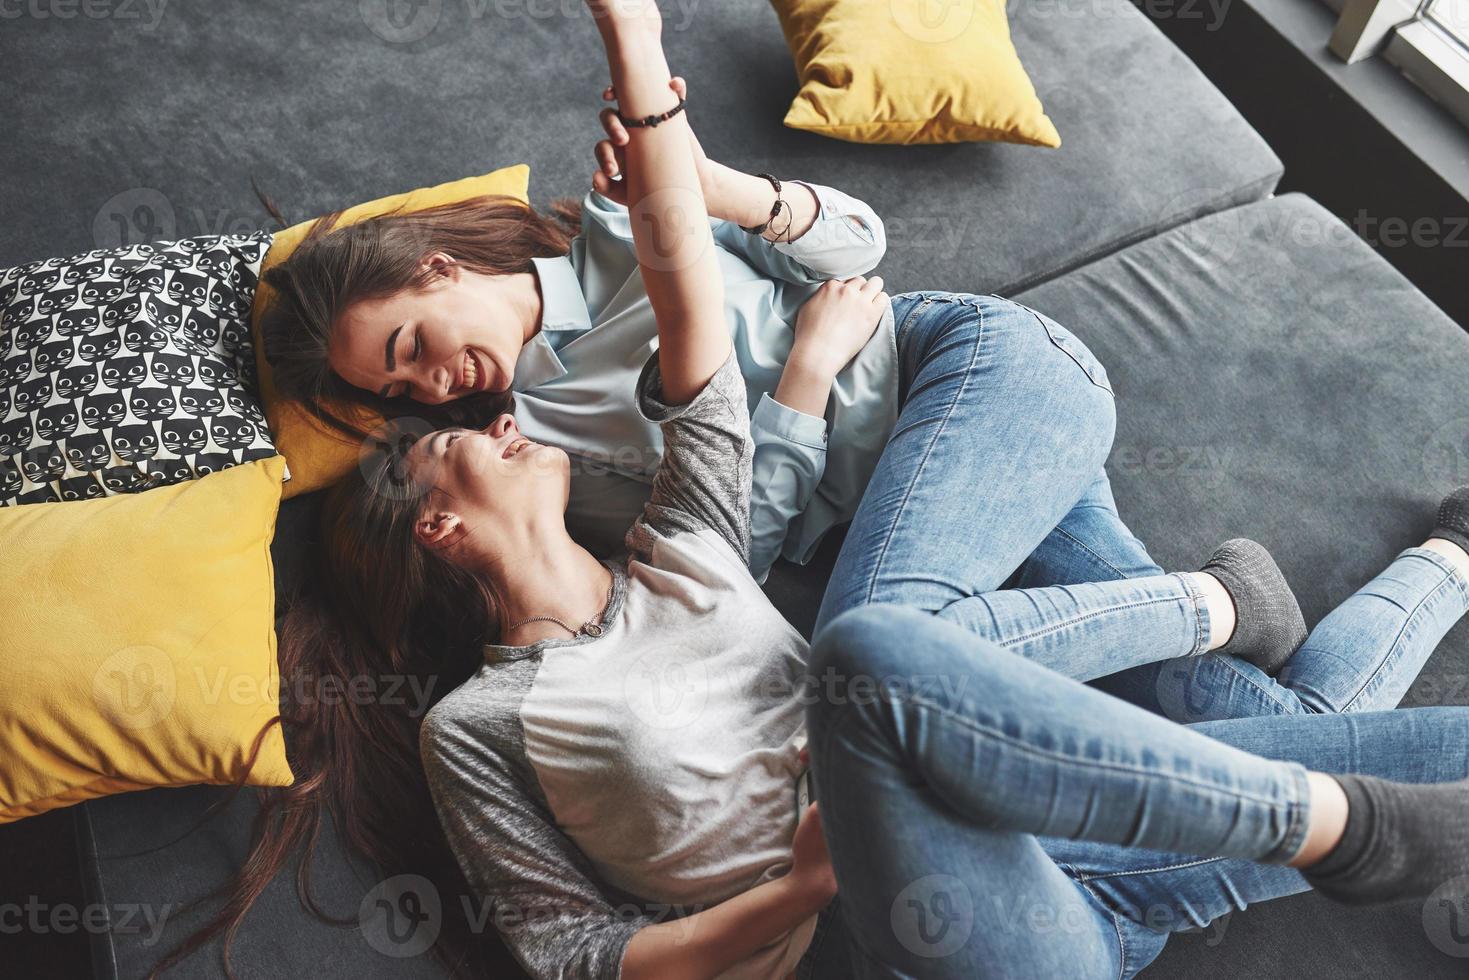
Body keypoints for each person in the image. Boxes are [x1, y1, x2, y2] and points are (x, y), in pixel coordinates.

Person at [284, 5, 1468, 978]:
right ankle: (1427, 569)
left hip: (961, 385)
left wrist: (668, 114)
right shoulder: (566, 543)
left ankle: (1217, 605)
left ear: (436, 267)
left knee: (870, 651)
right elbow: (577, 945)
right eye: (412, 401)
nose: (443, 392)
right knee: (1226, 714)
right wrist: (795, 378)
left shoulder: (619, 228)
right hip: (995, 811)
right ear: (434, 519)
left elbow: (804, 256)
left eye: (410, 347)